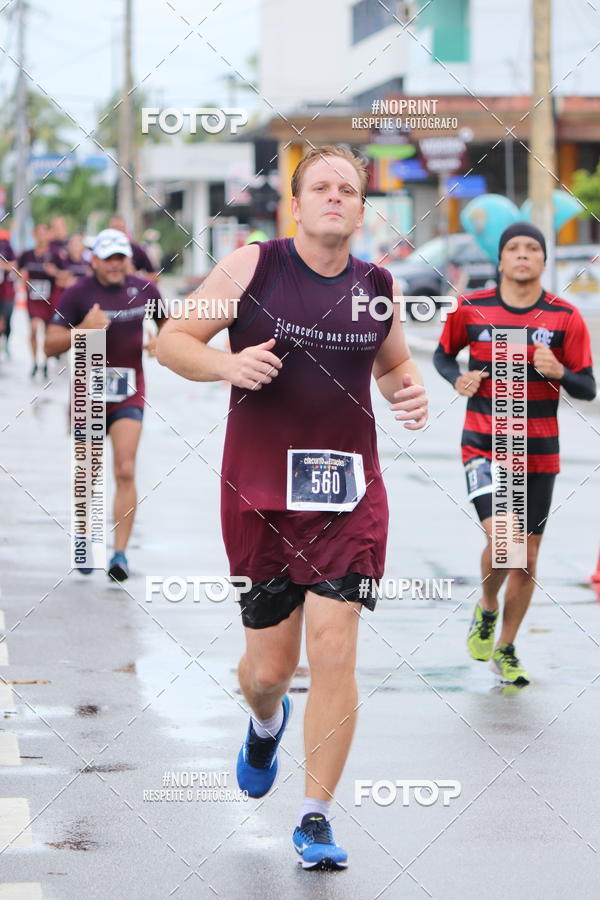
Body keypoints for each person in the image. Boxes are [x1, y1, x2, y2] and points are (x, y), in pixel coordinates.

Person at [157, 145, 428, 869]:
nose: (334, 196)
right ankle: (263, 719)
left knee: (335, 649)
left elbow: (394, 361)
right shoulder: (254, 266)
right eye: (321, 186)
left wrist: (408, 388)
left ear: (362, 209)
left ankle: (314, 817)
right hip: (260, 495)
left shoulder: (379, 285)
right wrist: (226, 363)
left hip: (349, 495)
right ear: (298, 204)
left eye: (347, 188)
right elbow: (172, 339)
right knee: (270, 670)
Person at [434, 222, 596, 685]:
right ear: (501, 260)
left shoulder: (565, 317)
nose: (523, 255)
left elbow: (588, 387)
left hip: (539, 451)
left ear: (544, 261)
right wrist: (456, 379)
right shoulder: (473, 309)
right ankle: (487, 606)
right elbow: (444, 355)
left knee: (528, 555)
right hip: (484, 442)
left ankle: (505, 645)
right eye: (513, 248)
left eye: (532, 249)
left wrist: (559, 370)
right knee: (507, 543)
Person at [45, 228, 167, 581]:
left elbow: (171, 328)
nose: (115, 265)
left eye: (121, 258)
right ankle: (84, 538)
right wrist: (83, 328)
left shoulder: (145, 290)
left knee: (125, 469)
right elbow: (50, 345)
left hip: (129, 391)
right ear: (94, 260)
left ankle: (119, 555)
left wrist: (161, 342)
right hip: (89, 394)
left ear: (128, 259)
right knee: (89, 474)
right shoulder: (77, 293)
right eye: (108, 258)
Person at [18, 223, 64, 378]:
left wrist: (55, 272)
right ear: (34, 235)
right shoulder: (27, 254)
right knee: (33, 328)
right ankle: (34, 362)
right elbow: (17, 269)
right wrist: (22, 278)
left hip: (49, 299)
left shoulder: (55, 254)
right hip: (33, 298)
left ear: (48, 236)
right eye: (39, 233)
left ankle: (44, 362)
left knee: (46, 332)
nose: (41, 237)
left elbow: (64, 275)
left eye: (44, 233)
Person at [108, 215, 160, 283]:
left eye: (120, 229)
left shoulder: (136, 249)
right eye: (114, 229)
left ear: (125, 230)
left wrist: (136, 277)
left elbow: (156, 276)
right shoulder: (100, 251)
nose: (117, 233)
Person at [0, 227, 17, 357]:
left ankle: (6, 343)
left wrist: (3, 265)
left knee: (6, 320)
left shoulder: (6, 245)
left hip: (6, 292)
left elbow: (14, 265)